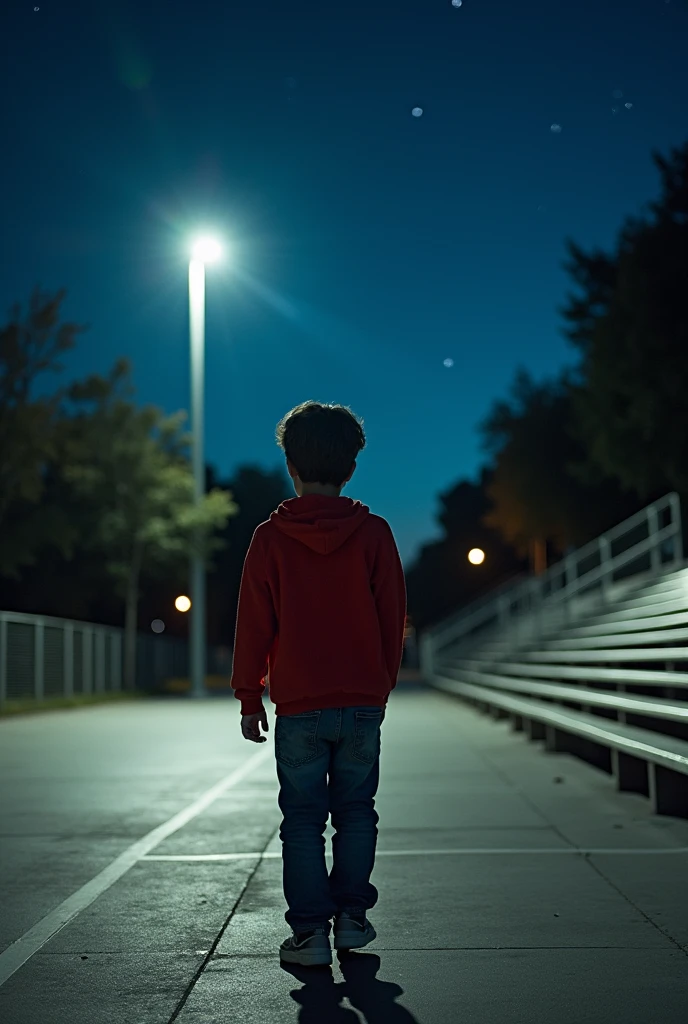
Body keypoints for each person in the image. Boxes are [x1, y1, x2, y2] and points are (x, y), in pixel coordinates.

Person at [230, 400, 407, 967]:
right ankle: (353, 919)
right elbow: (391, 617)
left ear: (291, 464)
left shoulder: (269, 538)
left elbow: (253, 623)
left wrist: (248, 694)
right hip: (360, 702)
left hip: (299, 706)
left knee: (302, 818)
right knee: (357, 810)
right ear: (351, 465)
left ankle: (309, 935)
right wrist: (381, 684)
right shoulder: (374, 533)